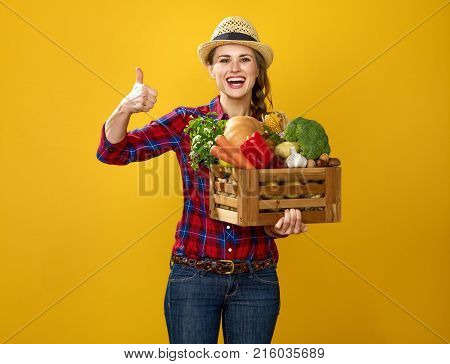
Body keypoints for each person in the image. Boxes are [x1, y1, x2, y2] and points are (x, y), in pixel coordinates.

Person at [96, 16, 308, 344]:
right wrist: (125, 108)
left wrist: (281, 225)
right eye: (224, 59)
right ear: (211, 68)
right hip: (193, 278)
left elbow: (270, 212)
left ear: (256, 70)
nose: (234, 68)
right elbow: (114, 152)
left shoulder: (275, 132)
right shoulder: (187, 121)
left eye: (245, 59)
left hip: (257, 279)